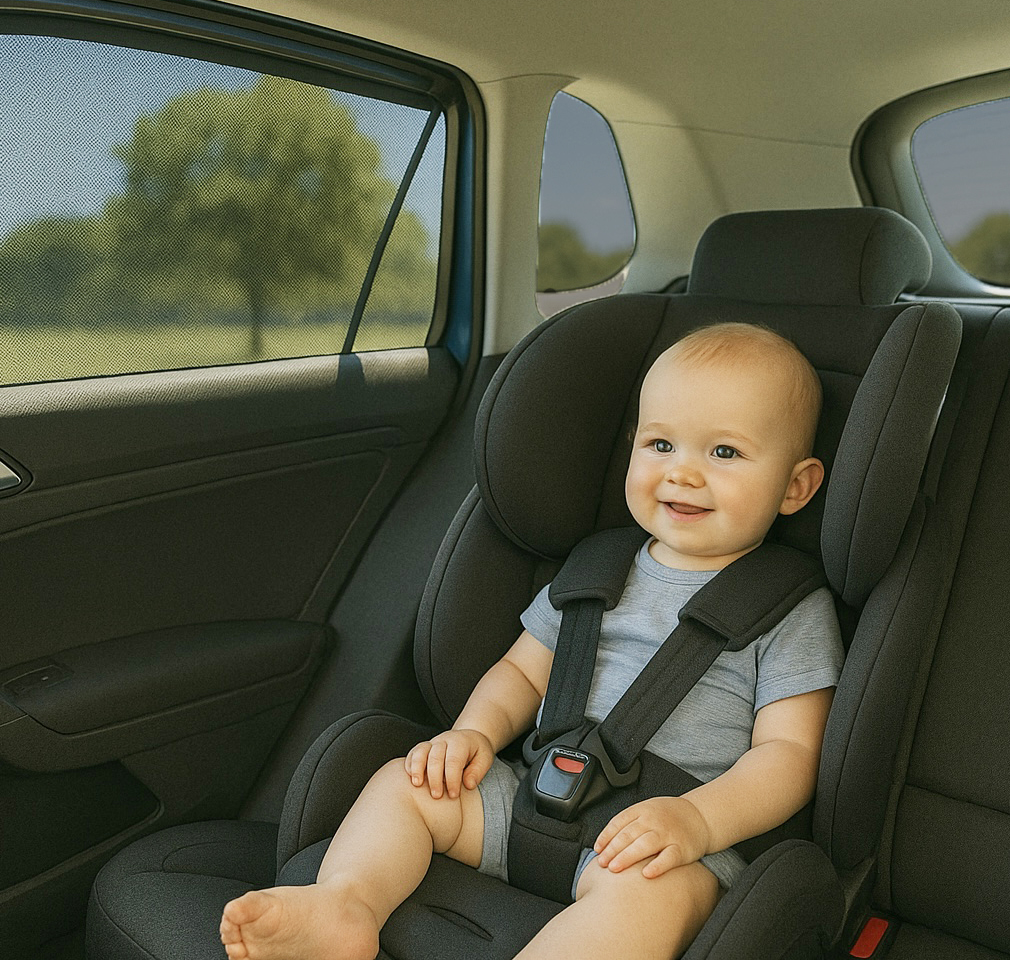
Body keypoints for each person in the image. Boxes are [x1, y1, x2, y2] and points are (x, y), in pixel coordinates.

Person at [220, 321, 845, 960]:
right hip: (532, 797)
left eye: (725, 453)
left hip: (660, 842)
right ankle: (344, 906)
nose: (682, 473)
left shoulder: (788, 610)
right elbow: (521, 674)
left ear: (795, 486)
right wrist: (474, 735)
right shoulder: (594, 571)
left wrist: (700, 821)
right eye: (660, 444)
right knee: (406, 783)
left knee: (657, 899)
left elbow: (790, 755)